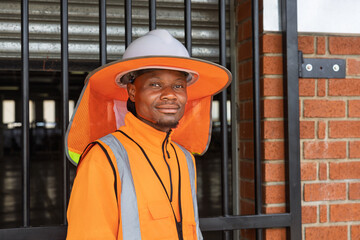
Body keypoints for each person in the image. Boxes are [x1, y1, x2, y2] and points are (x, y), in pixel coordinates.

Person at [65, 29, 231, 240]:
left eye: (178, 85)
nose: (170, 94)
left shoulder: (184, 158)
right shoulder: (103, 158)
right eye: (155, 84)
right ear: (132, 92)